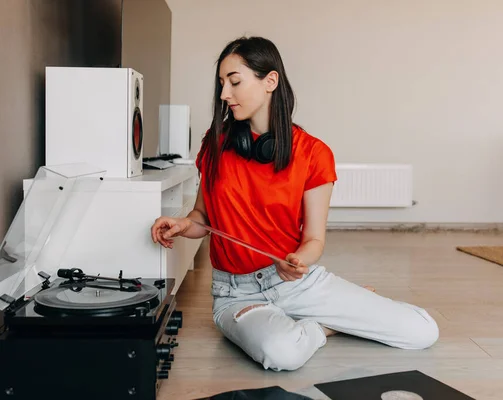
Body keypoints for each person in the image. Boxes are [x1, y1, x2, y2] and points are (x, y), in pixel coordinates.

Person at [150, 36, 439, 372]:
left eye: (235, 82)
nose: (225, 94)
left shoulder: (314, 153)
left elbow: (314, 240)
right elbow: (203, 217)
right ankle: (323, 325)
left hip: (296, 283)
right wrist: (185, 225)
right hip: (236, 294)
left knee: (421, 331)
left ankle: (320, 312)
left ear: (270, 81)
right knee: (282, 354)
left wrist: (299, 261)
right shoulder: (216, 143)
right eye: (221, 84)